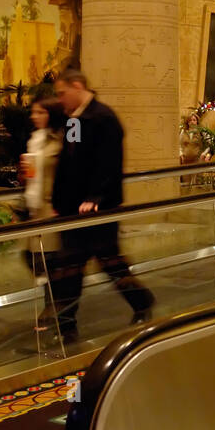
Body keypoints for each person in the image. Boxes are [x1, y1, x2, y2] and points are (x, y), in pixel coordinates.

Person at [44, 69, 155, 341]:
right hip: (73, 209)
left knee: (102, 262)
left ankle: (140, 301)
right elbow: (68, 163)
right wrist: (59, 200)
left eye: (62, 93)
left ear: (78, 86)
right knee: (71, 265)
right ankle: (66, 324)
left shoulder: (103, 118)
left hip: (97, 209)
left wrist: (95, 198)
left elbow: (109, 164)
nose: (60, 100)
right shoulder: (75, 120)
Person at [21, 96, 64, 322]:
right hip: (36, 207)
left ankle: (53, 309)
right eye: (33, 112)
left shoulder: (60, 139)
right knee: (32, 257)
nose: (33, 116)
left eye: (39, 112)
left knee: (47, 259)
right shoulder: (35, 140)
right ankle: (55, 306)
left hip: (52, 207)